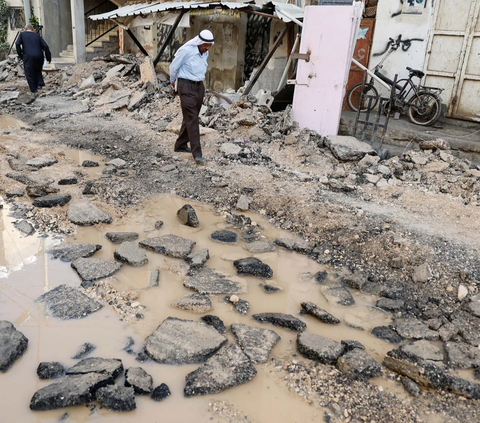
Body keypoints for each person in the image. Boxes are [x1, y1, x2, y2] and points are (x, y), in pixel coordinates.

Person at [169, 29, 214, 164]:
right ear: (199, 42)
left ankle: (180, 144)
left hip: (199, 86)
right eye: (205, 44)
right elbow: (173, 67)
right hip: (186, 86)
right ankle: (197, 154)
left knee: (190, 116)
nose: (207, 47)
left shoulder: (205, 53)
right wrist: (173, 84)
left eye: (209, 45)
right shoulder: (187, 51)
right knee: (192, 119)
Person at [16, 24, 51, 95]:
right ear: (32, 29)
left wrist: (20, 54)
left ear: (26, 29)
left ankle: (33, 90)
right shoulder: (37, 36)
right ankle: (39, 84)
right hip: (39, 56)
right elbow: (46, 46)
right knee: (38, 69)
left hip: (28, 56)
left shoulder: (22, 35)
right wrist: (48, 58)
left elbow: (17, 44)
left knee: (29, 73)